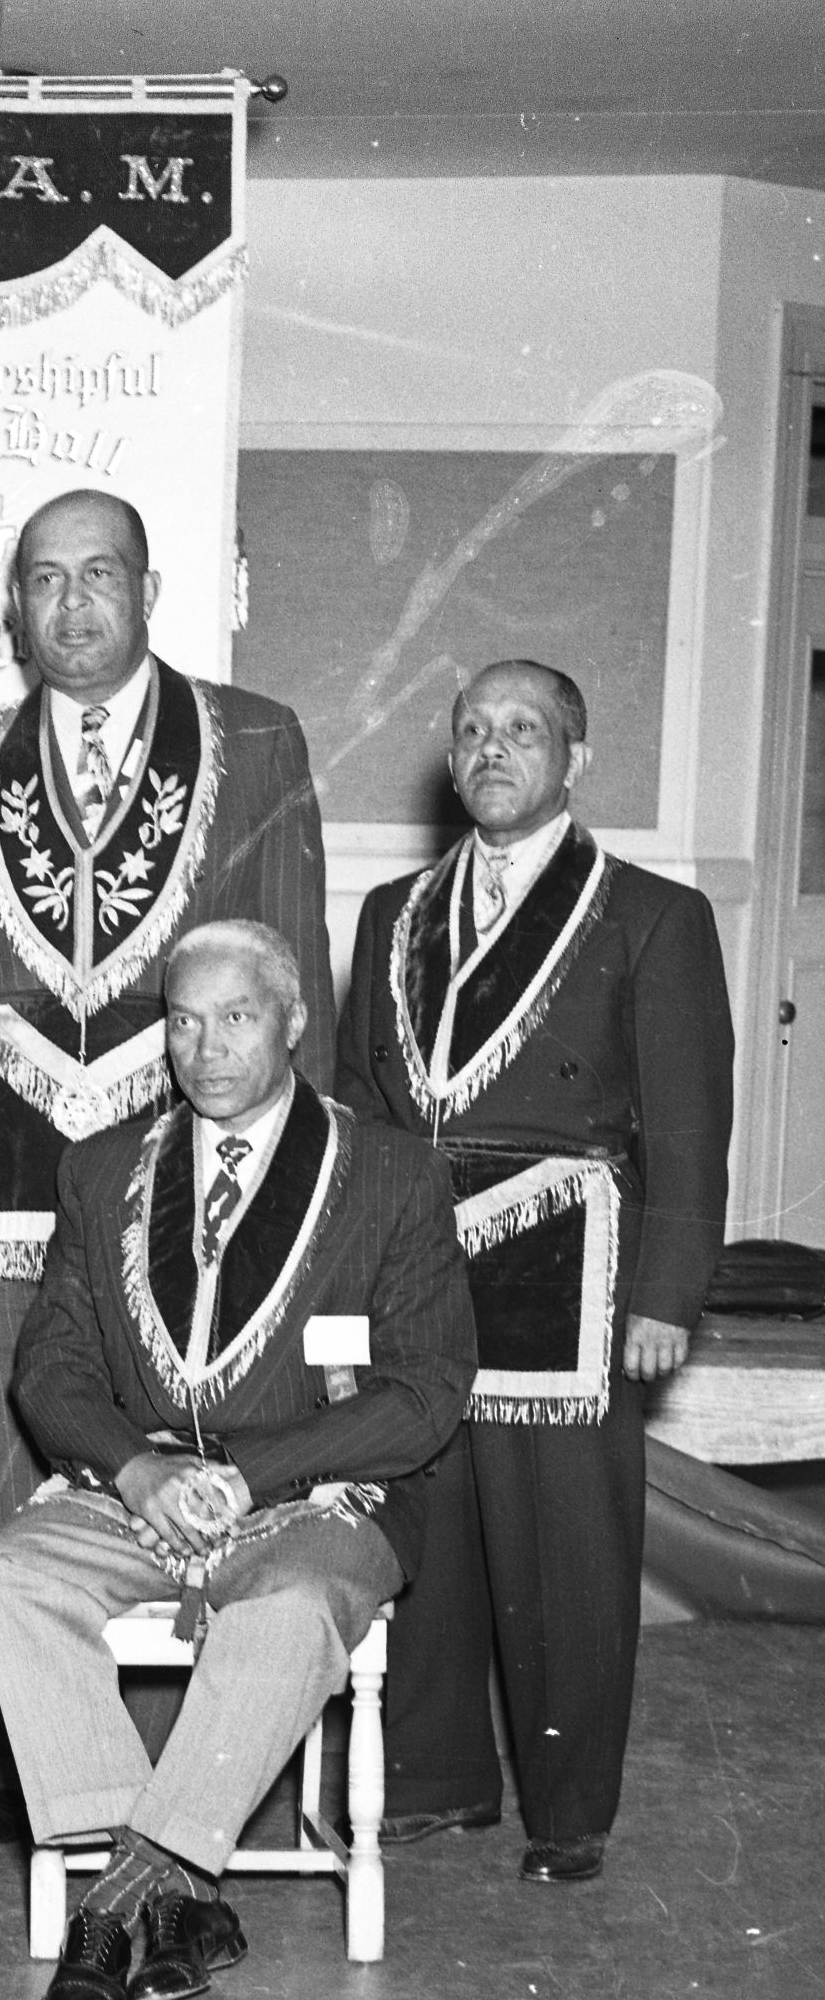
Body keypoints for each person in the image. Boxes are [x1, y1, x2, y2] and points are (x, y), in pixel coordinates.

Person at [0, 488, 335, 1843]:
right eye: (42, 579)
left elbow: (291, 965)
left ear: (148, 590)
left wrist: (301, 1177)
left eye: (99, 575)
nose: (72, 603)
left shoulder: (251, 737)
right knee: (8, 1431)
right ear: (11, 605)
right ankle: (15, 1769)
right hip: (4, 1145)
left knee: (205, 1424)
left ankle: (200, 1764)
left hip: (196, 1150)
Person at [0, 920, 474, 2000]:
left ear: (290, 1022)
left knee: (285, 1613)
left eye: (235, 1017)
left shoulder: (386, 1170)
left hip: (313, 1495)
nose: (205, 1049)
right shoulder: (103, 1169)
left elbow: (425, 1393)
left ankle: (111, 1904)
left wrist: (246, 1472)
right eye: (182, 1022)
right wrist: (137, 1472)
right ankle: (180, 1902)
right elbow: (49, 1372)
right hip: (136, 1482)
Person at [335, 658, 734, 1884]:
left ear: (575, 758)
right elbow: (355, 1106)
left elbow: (684, 1123)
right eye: (471, 730)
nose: (491, 749)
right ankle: (436, 1778)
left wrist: (667, 1293)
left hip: (570, 1261)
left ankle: (567, 1809)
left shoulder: (651, 913)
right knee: (426, 1523)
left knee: (563, 1542)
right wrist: (339, 1277)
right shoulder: (392, 909)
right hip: (416, 1256)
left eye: (522, 730)